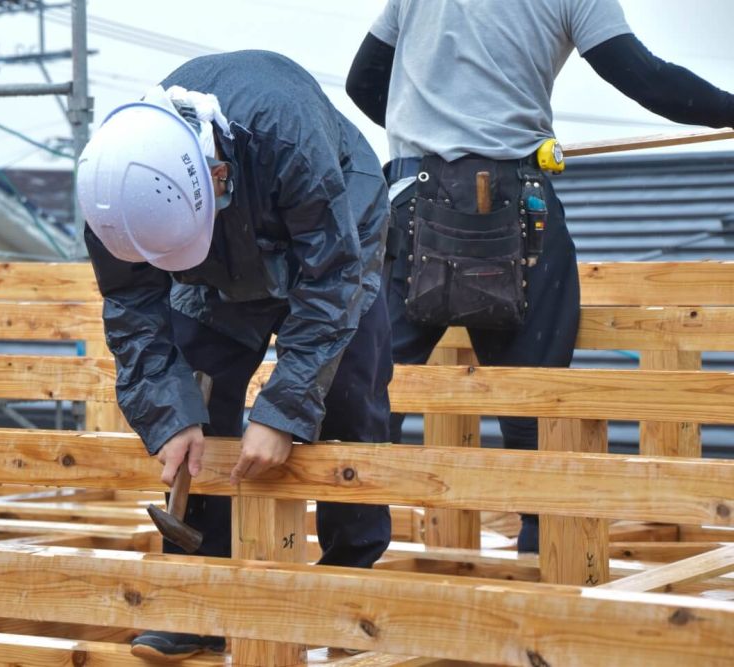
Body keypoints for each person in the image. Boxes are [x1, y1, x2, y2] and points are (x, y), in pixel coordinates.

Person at [347, 0, 734, 553]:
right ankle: (540, 556)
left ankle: (351, 555)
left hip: (414, 201)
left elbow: (364, 82)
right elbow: (646, 79)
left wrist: (436, 126)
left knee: (378, 388)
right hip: (513, 205)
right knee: (535, 398)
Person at [77, 50, 394, 661]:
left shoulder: (290, 138)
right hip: (215, 263)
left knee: (349, 397)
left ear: (216, 176)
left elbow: (331, 283)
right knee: (197, 388)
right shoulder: (115, 187)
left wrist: (282, 410)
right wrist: (168, 414)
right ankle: (199, 602)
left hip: (335, 228)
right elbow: (132, 310)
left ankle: (349, 597)